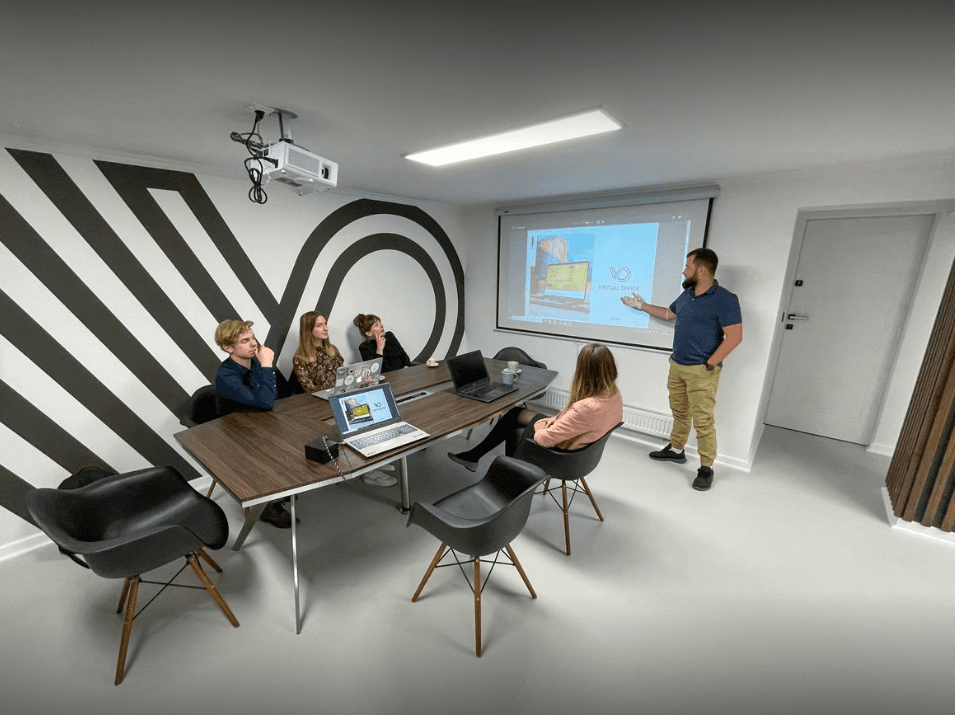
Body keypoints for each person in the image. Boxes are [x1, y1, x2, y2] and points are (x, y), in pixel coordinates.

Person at [621, 247, 742, 491]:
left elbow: (734, 337)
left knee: (703, 421)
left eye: (687, 267)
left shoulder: (726, 299)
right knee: (680, 411)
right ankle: (677, 450)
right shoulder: (687, 295)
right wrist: (641, 306)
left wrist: (710, 363)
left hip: (701, 371)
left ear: (701, 269)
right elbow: (668, 313)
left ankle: (706, 467)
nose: (684, 271)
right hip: (677, 365)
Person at [448, 343, 622, 472]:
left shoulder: (587, 407)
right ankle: (473, 456)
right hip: (579, 442)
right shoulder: (613, 393)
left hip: (564, 455)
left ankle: (509, 477)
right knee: (514, 413)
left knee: (514, 431)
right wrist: (551, 421)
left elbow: (543, 439)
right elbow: (574, 421)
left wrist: (541, 426)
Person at [213, 318, 292, 528]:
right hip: (235, 434)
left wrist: (263, 367)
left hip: (257, 422)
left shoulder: (253, 363)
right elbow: (265, 401)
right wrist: (267, 365)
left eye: (253, 338)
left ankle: (278, 489)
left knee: (291, 435)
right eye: (245, 341)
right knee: (271, 448)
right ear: (228, 347)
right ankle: (264, 506)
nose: (254, 344)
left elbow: (269, 396)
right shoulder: (226, 375)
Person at [292, 311, 344, 393]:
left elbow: (343, 375)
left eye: (325, 324)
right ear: (308, 329)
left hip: (340, 393)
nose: (326, 328)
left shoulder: (332, 349)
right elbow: (309, 388)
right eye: (319, 325)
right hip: (319, 400)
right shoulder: (300, 357)